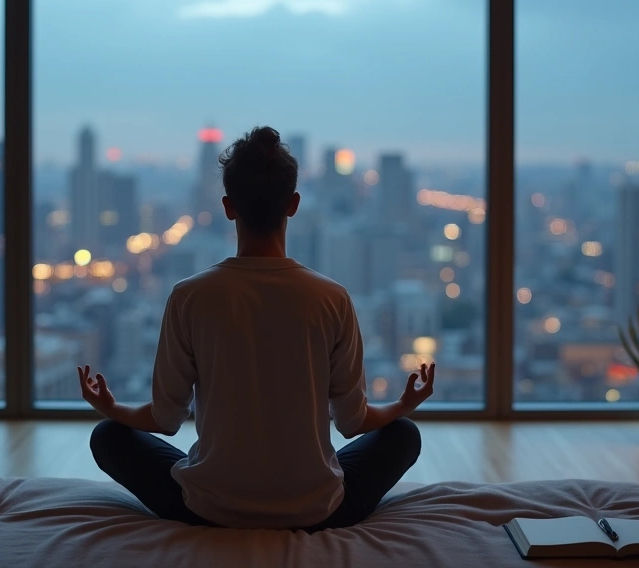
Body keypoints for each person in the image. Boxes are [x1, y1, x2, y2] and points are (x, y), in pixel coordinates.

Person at [78, 126, 434, 532]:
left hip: (207, 508)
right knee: (403, 435)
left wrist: (110, 408)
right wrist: (404, 403)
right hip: (317, 510)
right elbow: (353, 423)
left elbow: (164, 419)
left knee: (109, 437)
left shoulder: (189, 296)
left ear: (228, 207)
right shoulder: (332, 298)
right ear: (293, 204)